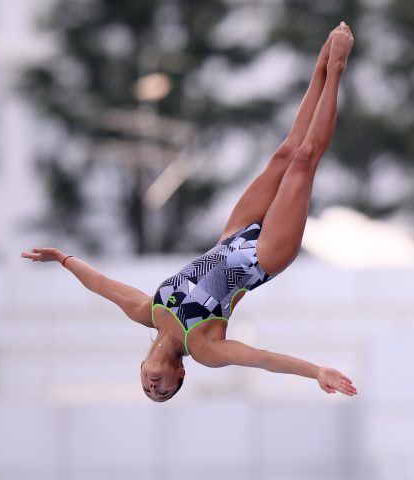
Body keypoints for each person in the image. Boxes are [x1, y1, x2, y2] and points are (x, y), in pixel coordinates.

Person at [22, 22, 357, 402]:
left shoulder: (147, 311)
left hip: (232, 236)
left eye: (148, 387)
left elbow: (101, 285)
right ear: (180, 373)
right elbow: (263, 359)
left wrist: (62, 258)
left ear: (141, 368)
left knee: (284, 153)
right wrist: (316, 372)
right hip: (263, 258)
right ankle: (339, 70)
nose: (154, 387)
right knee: (303, 160)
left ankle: (323, 61)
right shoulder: (204, 348)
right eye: (164, 390)